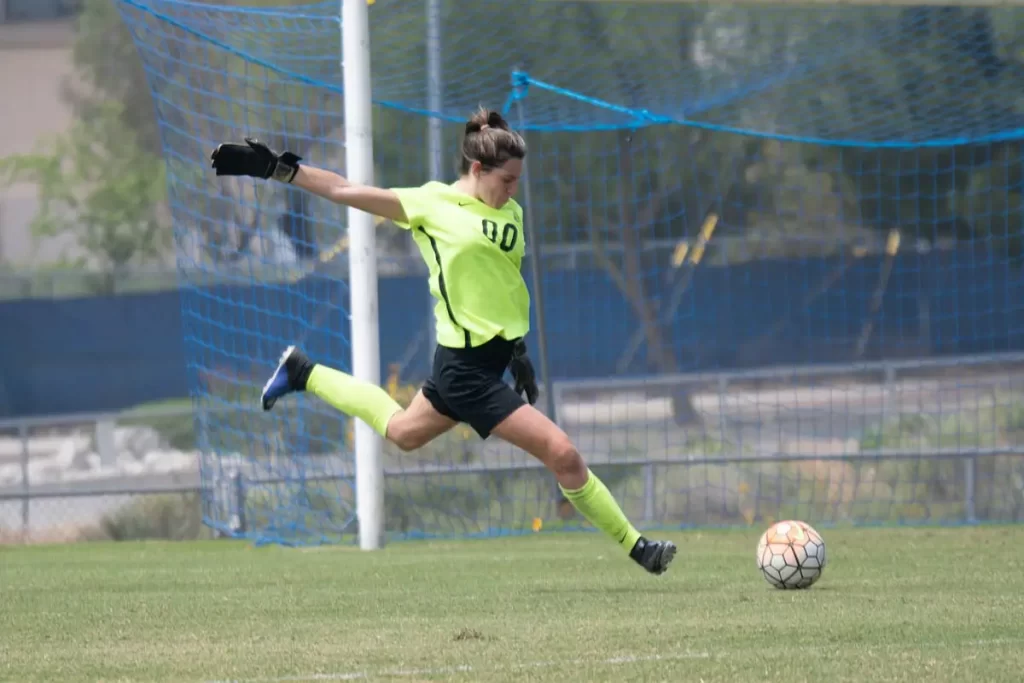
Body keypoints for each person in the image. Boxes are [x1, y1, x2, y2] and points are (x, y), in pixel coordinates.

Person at [209, 107, 676, 575]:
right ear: (477, 169)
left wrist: (517, 354)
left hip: (488, 362)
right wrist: (280, 169)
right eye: (507, 180)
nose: (514, 191)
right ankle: (641, 549)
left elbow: (503, 285)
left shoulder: (509, 211)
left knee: (402, 432)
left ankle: (302, 371)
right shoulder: (431, 204)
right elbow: (345, 190)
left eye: (517, 181)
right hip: (465, 372)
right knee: (564, 454)